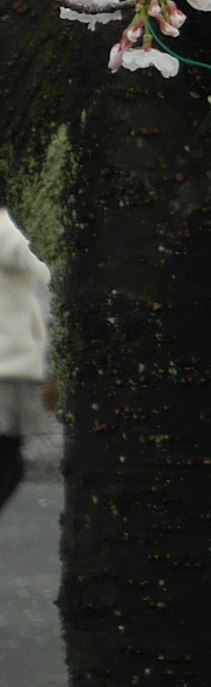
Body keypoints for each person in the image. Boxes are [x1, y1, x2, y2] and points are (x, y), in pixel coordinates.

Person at [0, 205, 49, 510]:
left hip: (11, 365)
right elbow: (44, 267)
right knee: (8, 461)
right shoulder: (5, 228)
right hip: (8, 367)